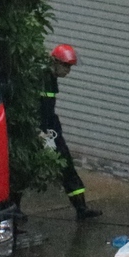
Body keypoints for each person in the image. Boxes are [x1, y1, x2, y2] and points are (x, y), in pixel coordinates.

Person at [41, 43, 99, 221]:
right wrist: (41, 134)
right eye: (66, 66)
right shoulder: (43, 79)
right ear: (55, 62)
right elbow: (40, 110)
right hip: (44, 130)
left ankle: (81, 208)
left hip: (50, 129)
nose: (68, 71)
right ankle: (15, 214)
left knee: (66, 166)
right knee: (28, 173)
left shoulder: (48, 77)